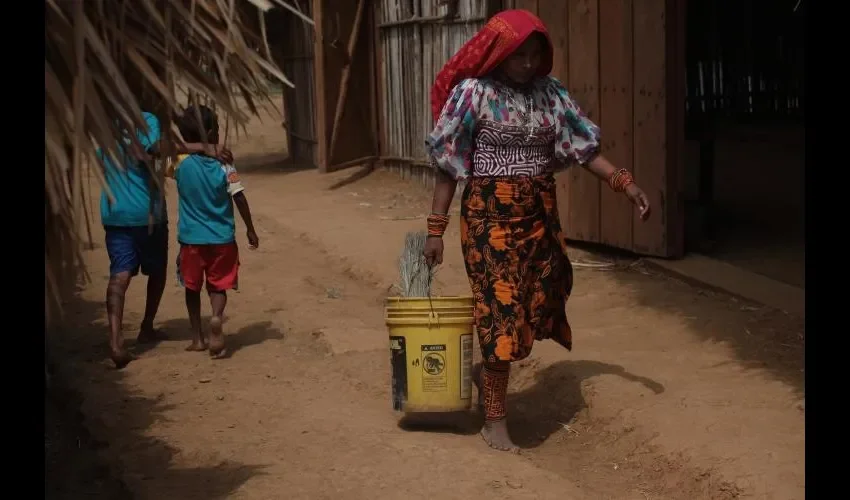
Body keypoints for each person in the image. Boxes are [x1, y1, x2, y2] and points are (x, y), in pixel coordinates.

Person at [422, 9, 652, 452]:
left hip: (538, 222)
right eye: (518, 55)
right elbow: (448, 166)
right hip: (489, 220)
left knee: (531, 305)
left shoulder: (552, 96)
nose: (527, 63)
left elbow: (584, 151)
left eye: (534, 54)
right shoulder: (474, 94)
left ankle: (489, 374)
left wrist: (626, 184)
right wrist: (436, 230)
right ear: (498, 54)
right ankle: (495, 420)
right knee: (500, 311)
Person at [100, 111, 233, 369]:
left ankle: (116, 339)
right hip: (147, 213)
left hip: (113, 211)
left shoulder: (102, 119)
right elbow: (148, 151)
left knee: (120, 275)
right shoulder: (145, 118)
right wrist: (206, 148)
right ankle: (148, 326)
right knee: (158, 272)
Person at [169, 105, 259, 358]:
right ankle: (217, 317)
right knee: (218, 286)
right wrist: (250, 229)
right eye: (216, 130)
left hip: (191, 240)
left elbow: (162, 150)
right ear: (210, 132)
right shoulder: (225, 165)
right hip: (223, 239)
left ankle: (198, 338)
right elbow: (239, 197)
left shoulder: (179, 162)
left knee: (192, 287)